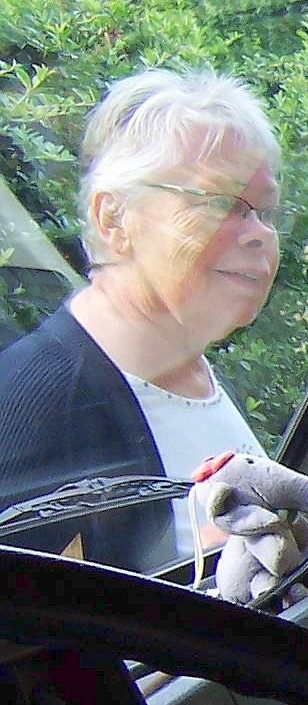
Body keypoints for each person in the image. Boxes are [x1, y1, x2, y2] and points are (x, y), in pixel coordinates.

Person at [0, 68, 288, 571]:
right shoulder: (40, 403)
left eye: (266, 211)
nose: (258, 234)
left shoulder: (189, 370)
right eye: (222, 203)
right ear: (114, 220)